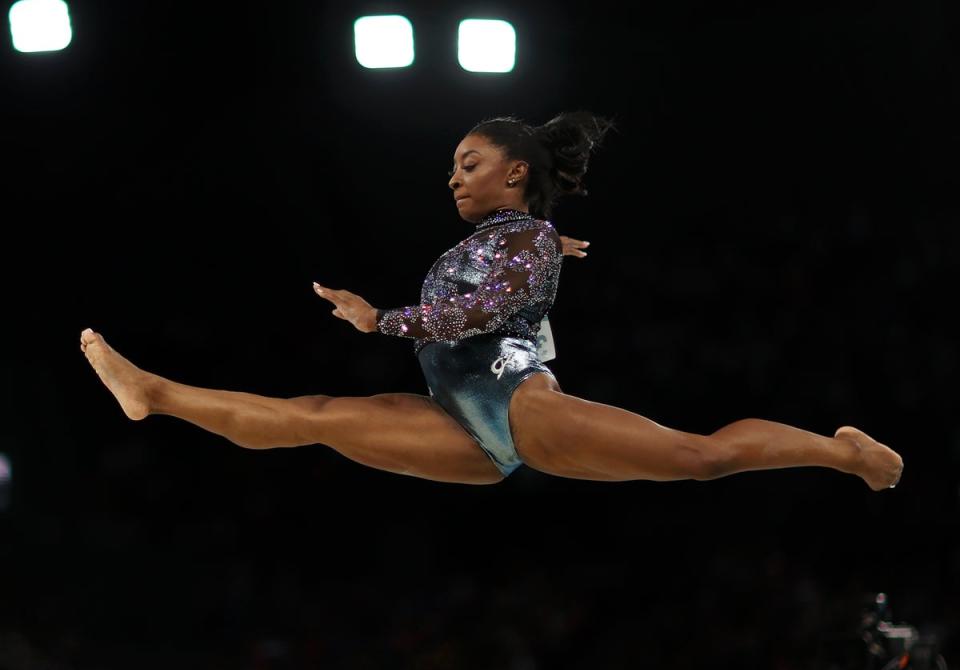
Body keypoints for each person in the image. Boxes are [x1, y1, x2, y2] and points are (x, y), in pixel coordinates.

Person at [80, 111, 903, 491]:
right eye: (450, 166)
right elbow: (507, 271)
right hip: (459, 423)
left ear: (515, 170)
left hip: (515, 404)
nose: (452, 176)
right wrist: (547, 241)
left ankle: (843, 451)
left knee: (699, 458)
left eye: (468, 162)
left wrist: (381, 319)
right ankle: (154, 395)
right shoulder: (517, 238)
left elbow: (476, 316)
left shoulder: (528, 238)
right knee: (316, 416)